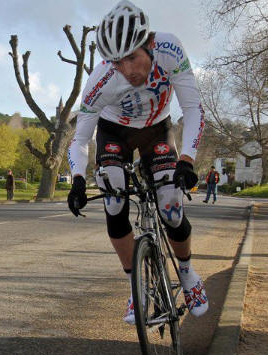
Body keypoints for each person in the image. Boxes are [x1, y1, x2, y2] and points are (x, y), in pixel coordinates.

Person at [67, 0, 208, 324]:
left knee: (170, 202)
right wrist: (77, 178)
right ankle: (136, 285)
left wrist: (186, 159)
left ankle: (187, 275)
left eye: (132, 56)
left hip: (157, 130)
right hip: (114, 132)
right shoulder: (100, 81)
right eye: (118, 62)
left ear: (149, 44)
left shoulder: (170, 48)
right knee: (113, 196)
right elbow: (79, 139)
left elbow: (193, 108)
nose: (128, 69)